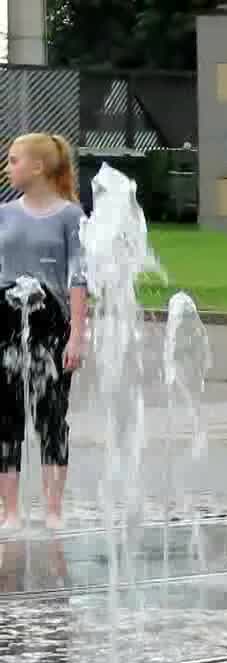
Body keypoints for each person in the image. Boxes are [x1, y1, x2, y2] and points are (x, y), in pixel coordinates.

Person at [0, 133, 87, 530]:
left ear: (38, 167)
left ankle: (53, 511)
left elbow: (78, 279)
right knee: (6, 417)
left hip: (51, 325)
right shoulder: (4, 213)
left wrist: (77, 335)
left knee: (52, 417)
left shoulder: (71, 217)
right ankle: (10, 512)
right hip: (6, 322)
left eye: (14, 160)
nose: (8, 167)